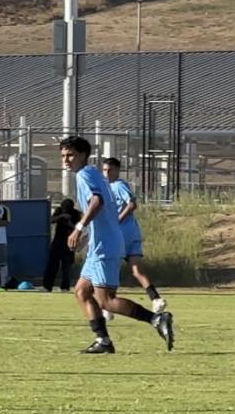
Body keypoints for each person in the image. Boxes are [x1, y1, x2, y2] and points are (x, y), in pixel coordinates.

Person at [60, 137, 174, 354]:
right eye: (64, 155)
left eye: (71, 155)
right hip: (99, 243)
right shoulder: (92, 174)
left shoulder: (85, 174)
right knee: (82, 292)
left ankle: (157, 318)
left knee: (106, 301)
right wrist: (88, 235)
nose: (66, 160)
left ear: (83, 155)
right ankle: (103, 341)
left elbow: (97, 202)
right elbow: (97, 206)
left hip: (106, 245)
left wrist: (79, 227)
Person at [103, 158, 167, 313]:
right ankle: (156, 299)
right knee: (136, 270)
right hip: (132, 233)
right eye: (104, 170)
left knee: (112, 268)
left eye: (110, 170)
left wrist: (117, 220)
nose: (106, 173)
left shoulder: (117, 185)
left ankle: (109, 306)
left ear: (117, 171)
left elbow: (132, 204)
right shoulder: (109, 186)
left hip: (122, 234)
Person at [43, 198, 78, 292]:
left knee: (66, 267)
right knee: (52, 265)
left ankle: (65, 287)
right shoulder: (59, 211)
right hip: (58, 241)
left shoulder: (75, 213)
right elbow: (51, 220)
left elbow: (78, 227)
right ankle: (47, 286)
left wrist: (70, 222)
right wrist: (62, 216)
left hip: (69, 242)